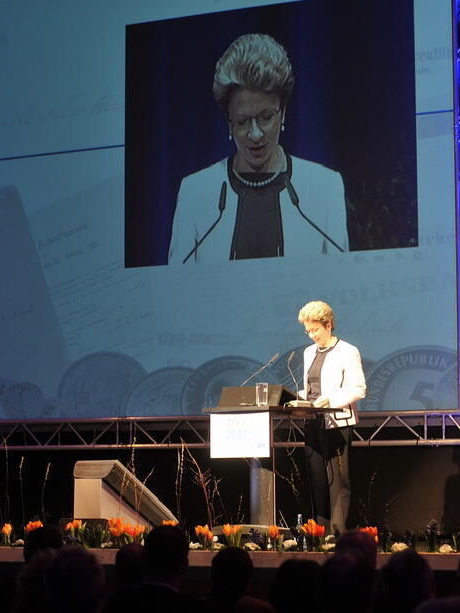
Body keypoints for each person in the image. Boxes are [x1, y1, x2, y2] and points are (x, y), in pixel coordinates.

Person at [168, 33, 348, 264]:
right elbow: (172, 289)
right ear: (228, 122)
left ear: (283, 113)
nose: (255, 134)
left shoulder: (325, 187)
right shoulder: (195, 192)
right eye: (242, 121)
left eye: (266, 117)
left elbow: (339, 283)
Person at [297, 300, 366, 533]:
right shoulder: (308, 353)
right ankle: (319, 533)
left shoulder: (347, 351)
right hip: (313, 422)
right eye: (307, 331)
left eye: (315, 329)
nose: (311, 335)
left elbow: (358, 388)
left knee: (338, 484)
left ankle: (338, 536)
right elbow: (310, 389)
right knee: (317, 482)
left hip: (337, 423)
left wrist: (331, 400)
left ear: (328, 324)